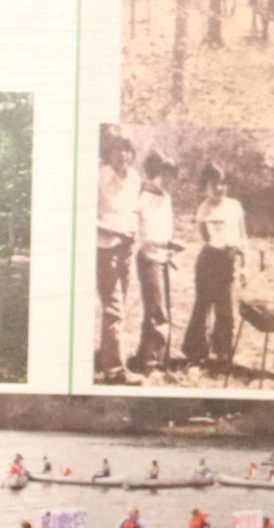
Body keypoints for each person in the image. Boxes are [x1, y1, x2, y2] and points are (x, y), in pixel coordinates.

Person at [178, 164, 247, 371]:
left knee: (225, 308)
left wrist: (245, 265)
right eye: (214, 184)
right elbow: (209, 237)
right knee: (203, 306)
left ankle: (223, 353)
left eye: (223, 183)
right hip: (210, 261)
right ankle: (196, 352)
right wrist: (225, 246)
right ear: (206, 186)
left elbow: (243, 236)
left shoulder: (235, 205)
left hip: (229, 260)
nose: (220, 188)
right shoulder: (204, 208)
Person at [94, 130, 143, 384]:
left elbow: (133, 209)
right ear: (108, 153)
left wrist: (132, 231)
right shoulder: (98, 178)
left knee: (118, 307)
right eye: (117, 149)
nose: (123, 154)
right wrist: (115, 230)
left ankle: (106, 358)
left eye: (127, 149)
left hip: (127, 248)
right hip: (105, 248)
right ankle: (115, 371)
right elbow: (86, 217)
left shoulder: (134, 178)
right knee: (114, 309)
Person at [133, 152, 177, 374]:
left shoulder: (166, 198)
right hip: (149, 257)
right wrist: (167, 243)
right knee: (157, 310)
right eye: (163, 175)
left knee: (157, 307)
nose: (166, 180)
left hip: (162, 257)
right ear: (155, 174)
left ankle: (148, 355)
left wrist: (171, 244)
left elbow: (165, 229)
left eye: (171, 176)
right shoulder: (145, 197)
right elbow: (147, 234)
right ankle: (151, 364)